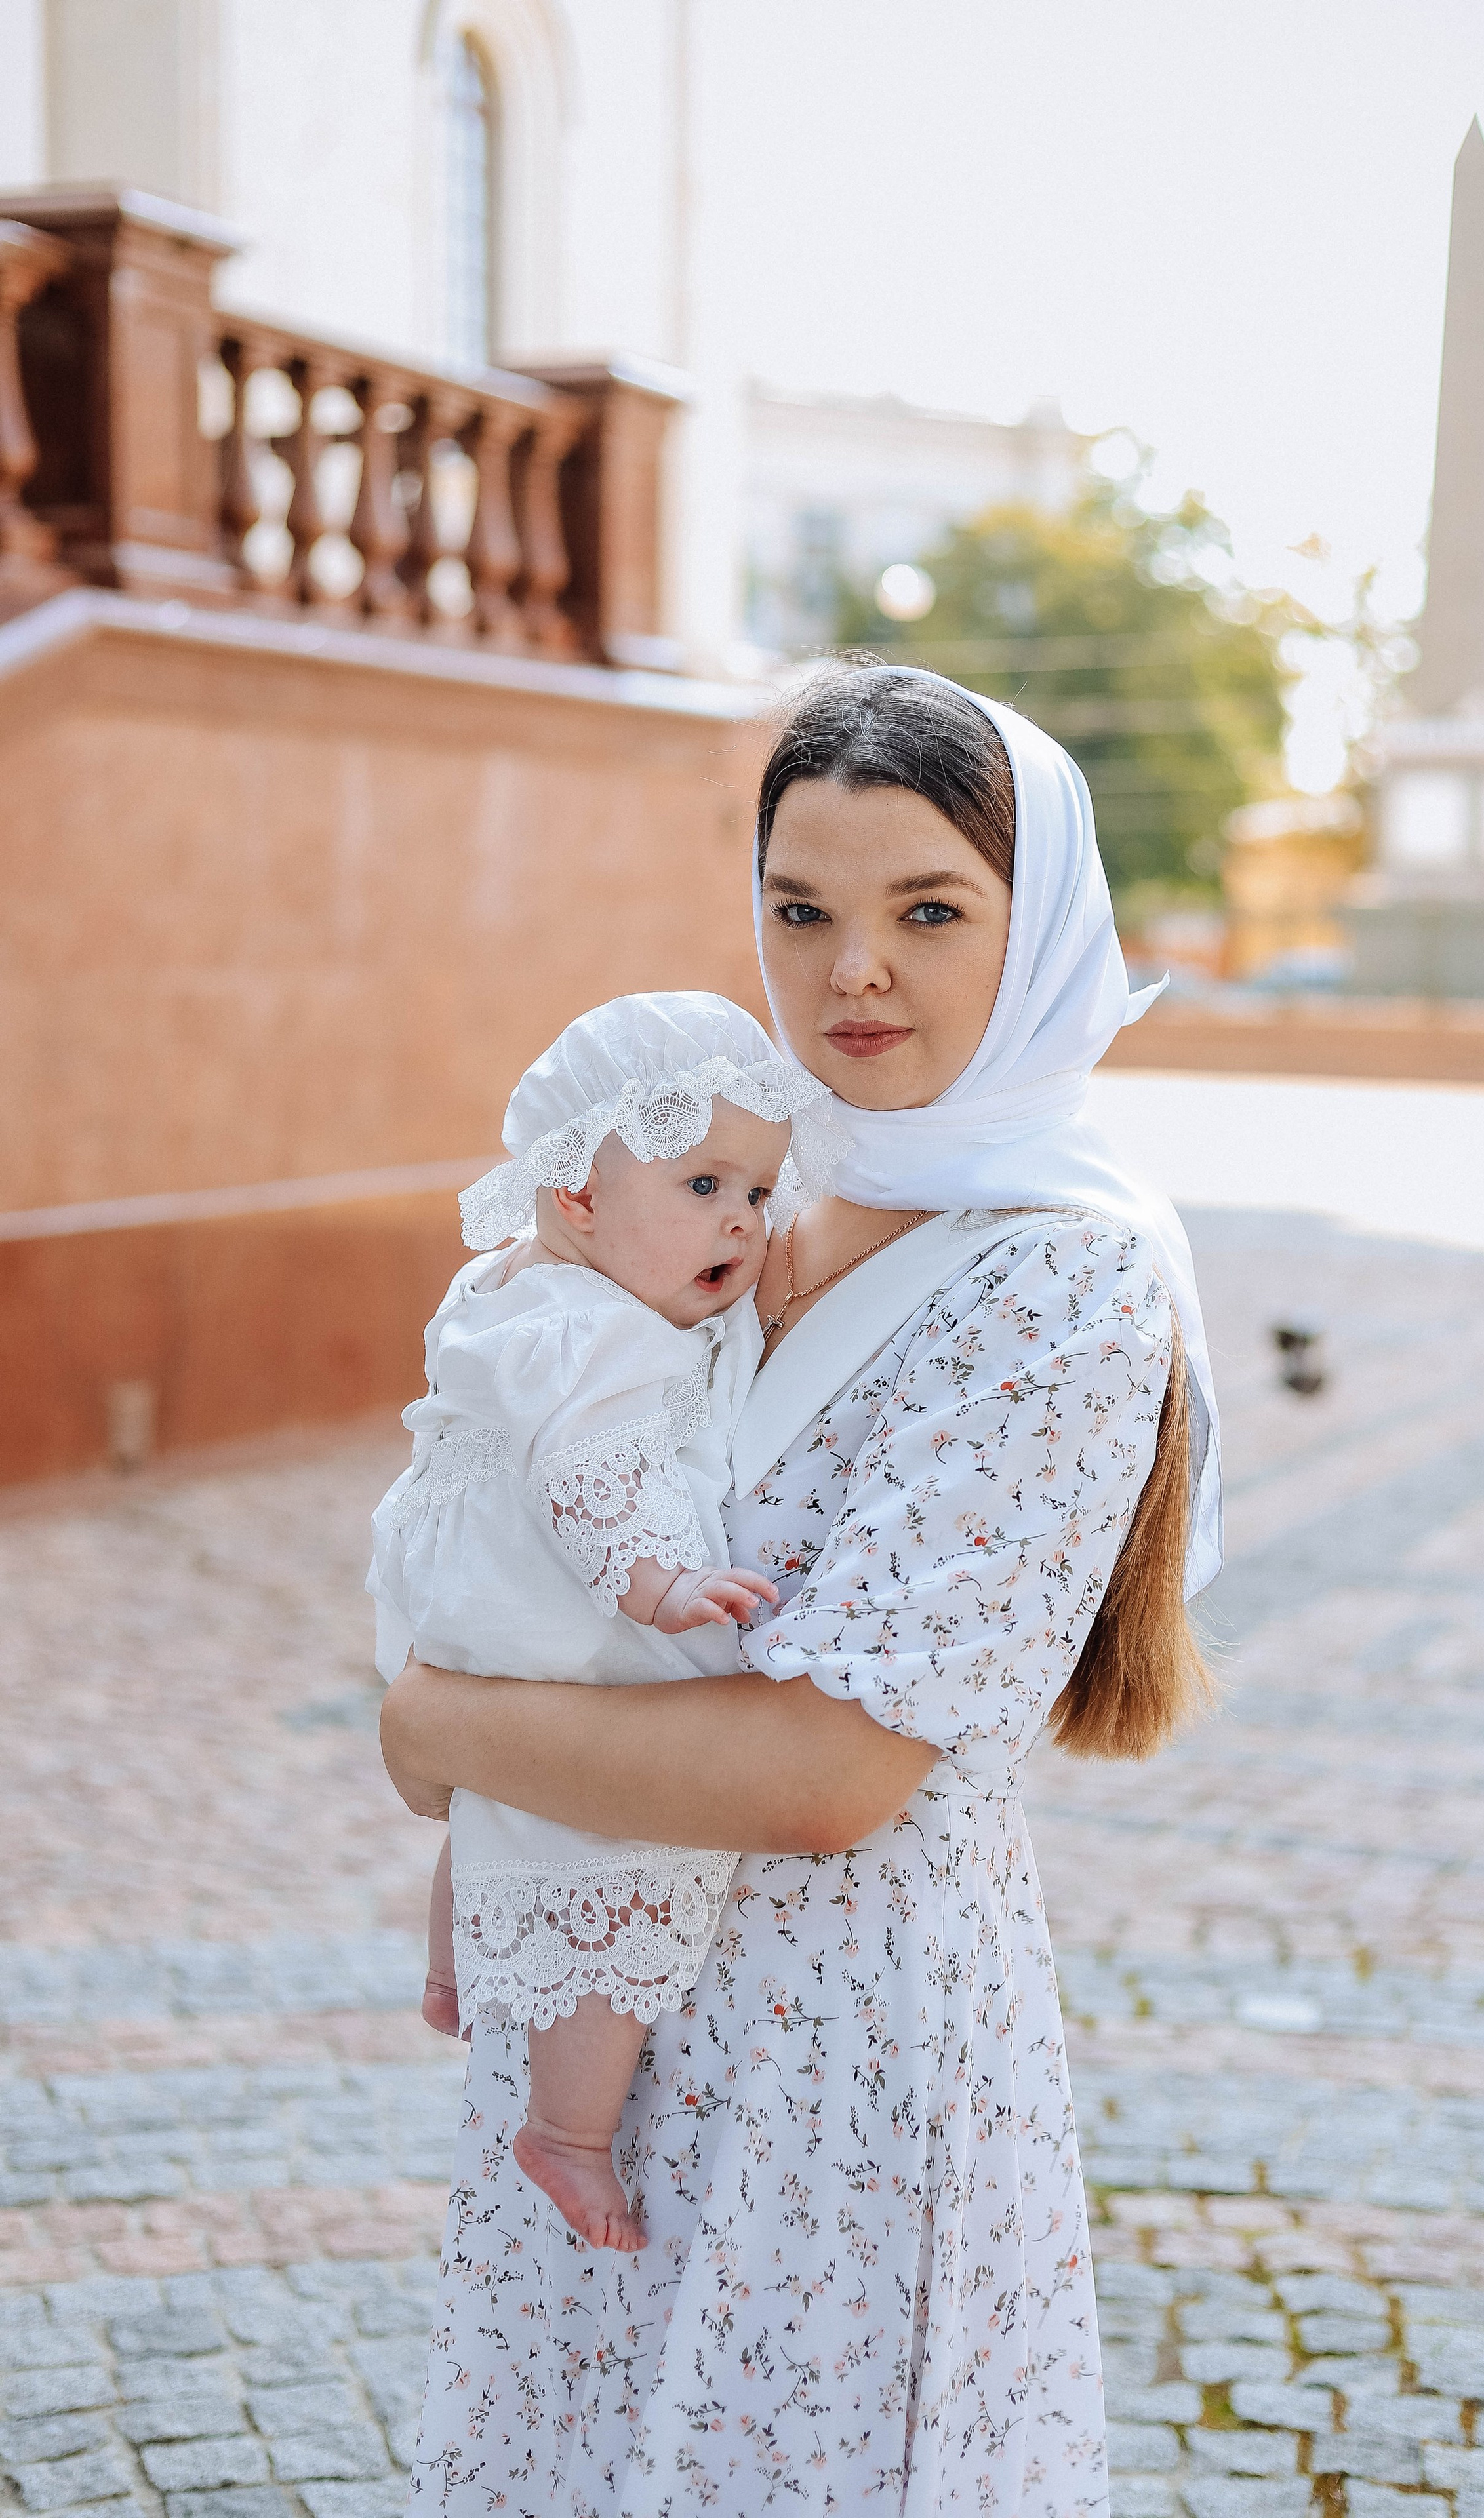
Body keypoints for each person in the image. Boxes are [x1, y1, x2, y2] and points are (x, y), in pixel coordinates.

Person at [380, 666, 1222, 2516]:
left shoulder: (1064, 1282)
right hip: (603, 2006)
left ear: (1038, 925)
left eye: (929, 912)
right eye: (800, 910)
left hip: (835, 2066)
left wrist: (437, 1724)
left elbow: (832, 1774)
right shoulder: (733, 1200)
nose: (854, 974)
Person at [369, 993, 833, 2252]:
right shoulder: (591, 1333)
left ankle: (452, 1973)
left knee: (503, 1789)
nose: (741, 1220)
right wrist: (662, 1589)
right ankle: (568, 2133)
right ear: (577, 1197)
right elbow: (590, 1472)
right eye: (704, 1185)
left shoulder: (527, 1289)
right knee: (619, 1849)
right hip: (562, 1602)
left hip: (476, 1600)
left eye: (760, 1190)